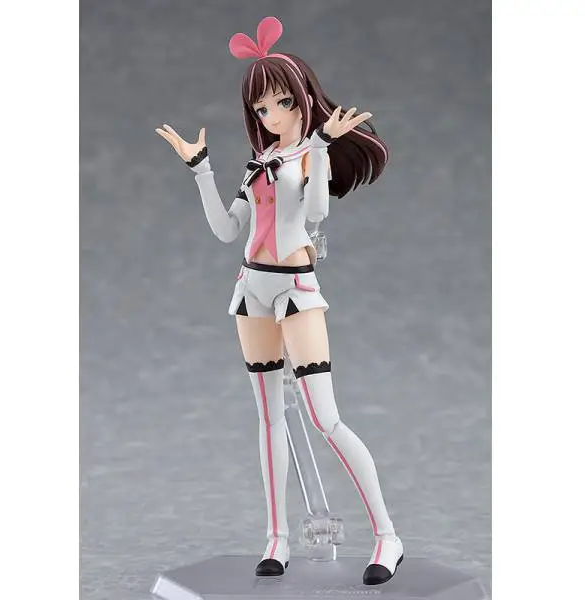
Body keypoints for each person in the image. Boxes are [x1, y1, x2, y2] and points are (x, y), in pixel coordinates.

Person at [156, 16, 403, 586]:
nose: (271, 114)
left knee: (324, 417)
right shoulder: (257, 165)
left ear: (302, 99)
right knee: (270, 418)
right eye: (261, 107)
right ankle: (277, 538)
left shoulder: (310, 155)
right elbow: (226, 230)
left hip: (296, 290)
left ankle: (388, 535)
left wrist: (321, 146)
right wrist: (200, 169)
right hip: (252, 290)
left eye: (281, 102)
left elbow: (315, 211)